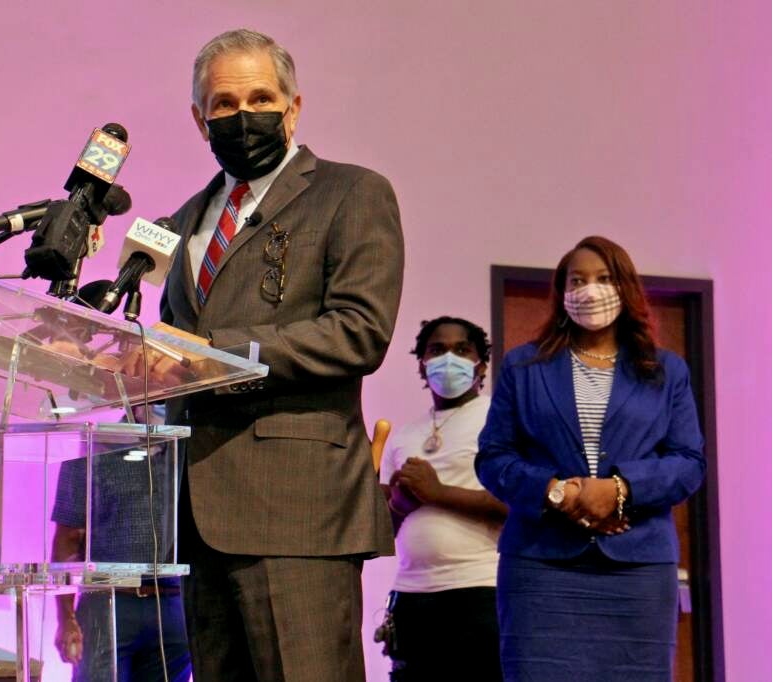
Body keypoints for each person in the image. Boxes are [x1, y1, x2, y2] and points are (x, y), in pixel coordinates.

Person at [158, 28, 404, 681]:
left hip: (300, 510)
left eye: (260, 98)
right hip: (197, 513)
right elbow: (169, 346)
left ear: (293, 108)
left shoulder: (352, 193)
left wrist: (217, 354)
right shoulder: (181, 221)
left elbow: (360, 330)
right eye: (224, 105)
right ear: (198, 119)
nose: (244, 117)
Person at [475, 235, 706, 681]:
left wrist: (618, 489)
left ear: (626, 288)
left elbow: (688, 461)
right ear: (562, 293)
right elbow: (494, 457)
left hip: (638, 569)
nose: (590, 290)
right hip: (541, 567)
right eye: (577, 280)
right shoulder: (524, 366)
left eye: (603, 278)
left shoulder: (666, 370)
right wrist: (557, 492)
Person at [379, 316, 506, 681]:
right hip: (411, 596)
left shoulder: (498, 420)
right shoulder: (404, 435)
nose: (448, 359)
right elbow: (382, 530)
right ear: (421, 363)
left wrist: (437, 493)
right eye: (437, 350)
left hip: (480, 592)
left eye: (461, 350)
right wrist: (400, 504)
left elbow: (520, 506)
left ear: (480, 363)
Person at [51, 405, 192, 682]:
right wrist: (65, 617)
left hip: (173, 606)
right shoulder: (96, 444)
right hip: (107, 604)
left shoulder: (186, 448)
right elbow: (68, 537)